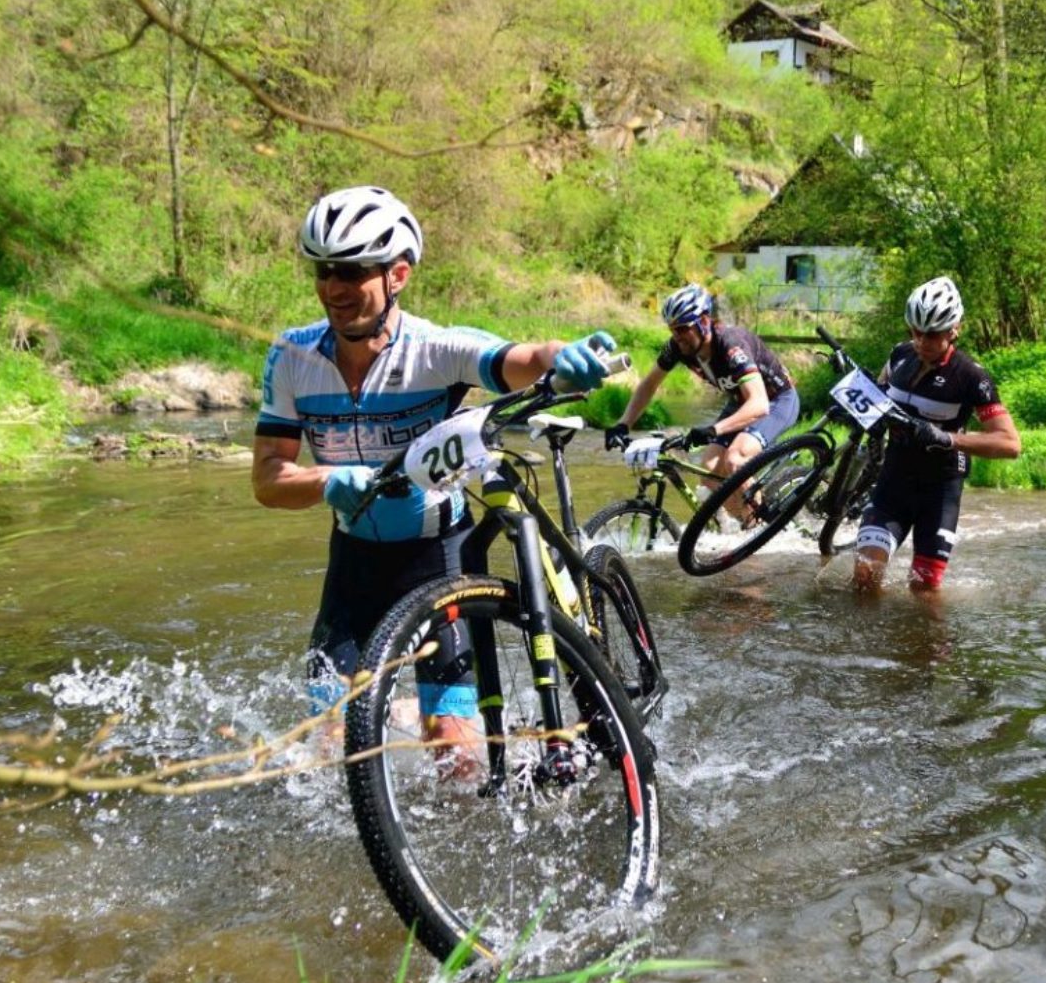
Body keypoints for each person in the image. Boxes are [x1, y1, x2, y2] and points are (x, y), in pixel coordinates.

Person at [252, 185, 616, 767]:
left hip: (438, 557)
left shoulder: (431, 350)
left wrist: (562, 355)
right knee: (328, 744)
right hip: (353, 564)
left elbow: (516, 359)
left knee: (454, 748)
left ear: (397, 274)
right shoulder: (291, 357)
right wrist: (326, 482)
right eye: (323, 271)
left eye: (351, 271)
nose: (333, 289)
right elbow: (268, 479)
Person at [853, 277, 1021, 594]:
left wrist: (947, 438)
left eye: (931, 334)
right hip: (895, 481)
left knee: (924, 591)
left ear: (953, 329)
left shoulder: (972, 376)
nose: (921, 341)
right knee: (865, 577)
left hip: (939, 489)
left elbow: (1010, 444)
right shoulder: (899, 355)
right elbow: (876, 400)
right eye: (914, 331)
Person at [603, 284, 799, 516]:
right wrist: (623, 423)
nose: (677, 336)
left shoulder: (731, 345)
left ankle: (764, 523)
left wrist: (713, 430)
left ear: (704, 322)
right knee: (709, 471)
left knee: (735, 458)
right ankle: (746, 527)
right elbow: (649, 384)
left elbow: (758, 404)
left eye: (683, 328)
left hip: (776, 400)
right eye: (672, 329)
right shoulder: (677, 347)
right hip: (739, 400)